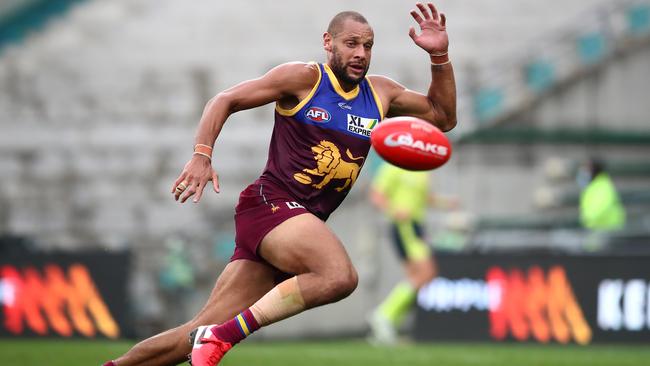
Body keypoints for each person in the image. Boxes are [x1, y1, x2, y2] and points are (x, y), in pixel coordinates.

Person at [104, 3, 456, 365]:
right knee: (339, 276)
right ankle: (221, 338)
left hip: (297, 221)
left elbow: (443, 117)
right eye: (351, 43)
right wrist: (201, 155)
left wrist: (440, 56)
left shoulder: (380, 93)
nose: (360, 54)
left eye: (368, 46)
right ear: (328, 42)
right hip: (270, 204)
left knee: (195, 332)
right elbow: (225, 99)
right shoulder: (305, 78)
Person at [367, 161, 456, 344]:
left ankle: (387, 322)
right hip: (404, 226)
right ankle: (384, 315)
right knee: (426, 273)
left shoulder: (423, 170)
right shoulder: (393, 166)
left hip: (417, 226)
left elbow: (425, 198)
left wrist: (446, 203)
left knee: (416, 277)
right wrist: (393, 210)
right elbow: (376, 195)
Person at [578, 158, 626, 251]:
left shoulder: (603, 186)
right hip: (595, 232)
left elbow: (600, 209)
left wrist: (586, 217)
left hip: (606, 232)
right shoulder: (593, 186)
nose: (583, 171)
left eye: (586, 168)